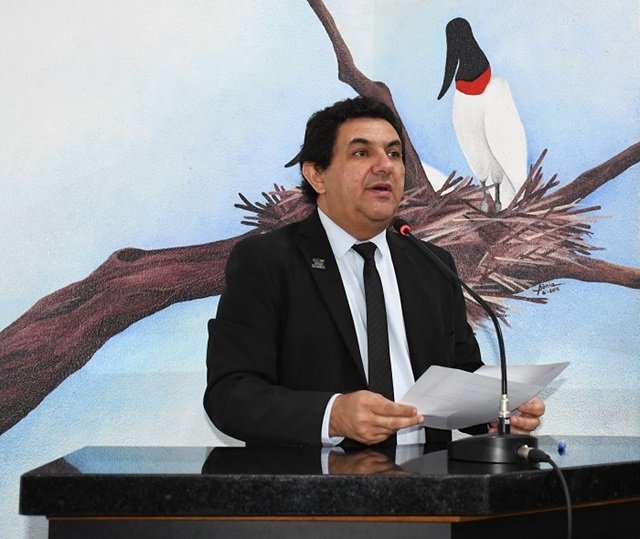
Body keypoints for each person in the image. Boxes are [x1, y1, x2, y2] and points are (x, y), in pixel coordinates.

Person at [204, 96, 544, 448]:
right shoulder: (268, 261)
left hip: (429, 475)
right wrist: (332, 415)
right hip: (320, 476)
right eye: (361, 153)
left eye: (394, 153)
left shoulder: (433, 264)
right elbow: (229, 395)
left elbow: (460, 376)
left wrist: (496, 409)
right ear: (317, 175)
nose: (385, 166)